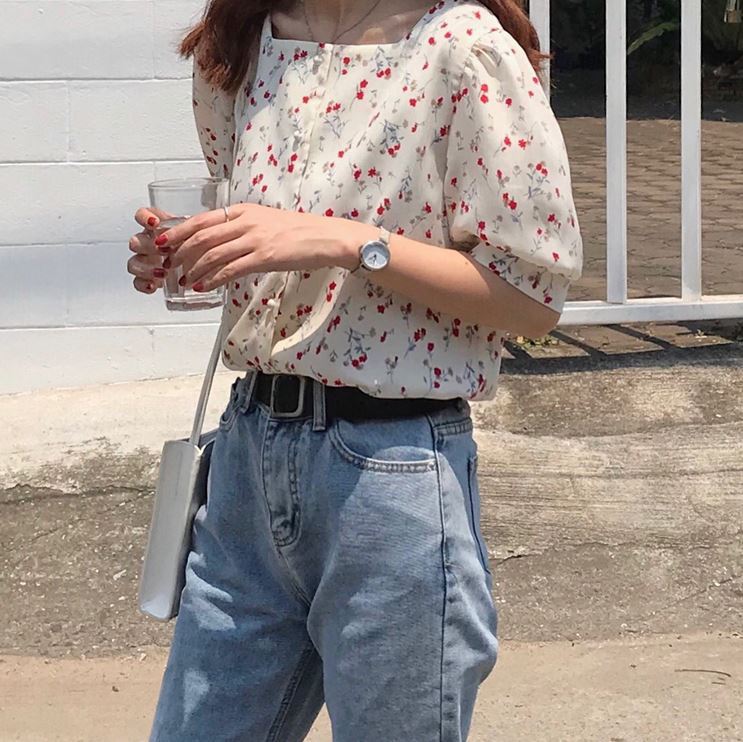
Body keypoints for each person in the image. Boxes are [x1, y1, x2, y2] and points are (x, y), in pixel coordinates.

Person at [128, 0, 582, 739]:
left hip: (389, 475)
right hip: (245, 461)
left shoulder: (463, 50)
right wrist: (194, 253)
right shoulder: (246, 41)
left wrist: (348, 243)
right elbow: (260, 229)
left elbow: (531, 300)